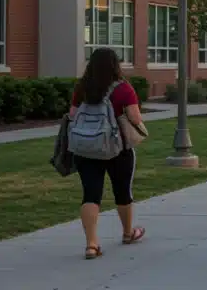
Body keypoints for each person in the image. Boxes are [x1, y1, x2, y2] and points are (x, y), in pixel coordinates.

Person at [69, 48, 147, 260]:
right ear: (115, 65)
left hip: (86, 149)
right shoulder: (123, 89)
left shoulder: (82, 88)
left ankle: (91, 245)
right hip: (117, 149)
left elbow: (72, 115)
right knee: (122, 191)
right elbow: (135, 117)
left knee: (91, 194)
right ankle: (128, 233)